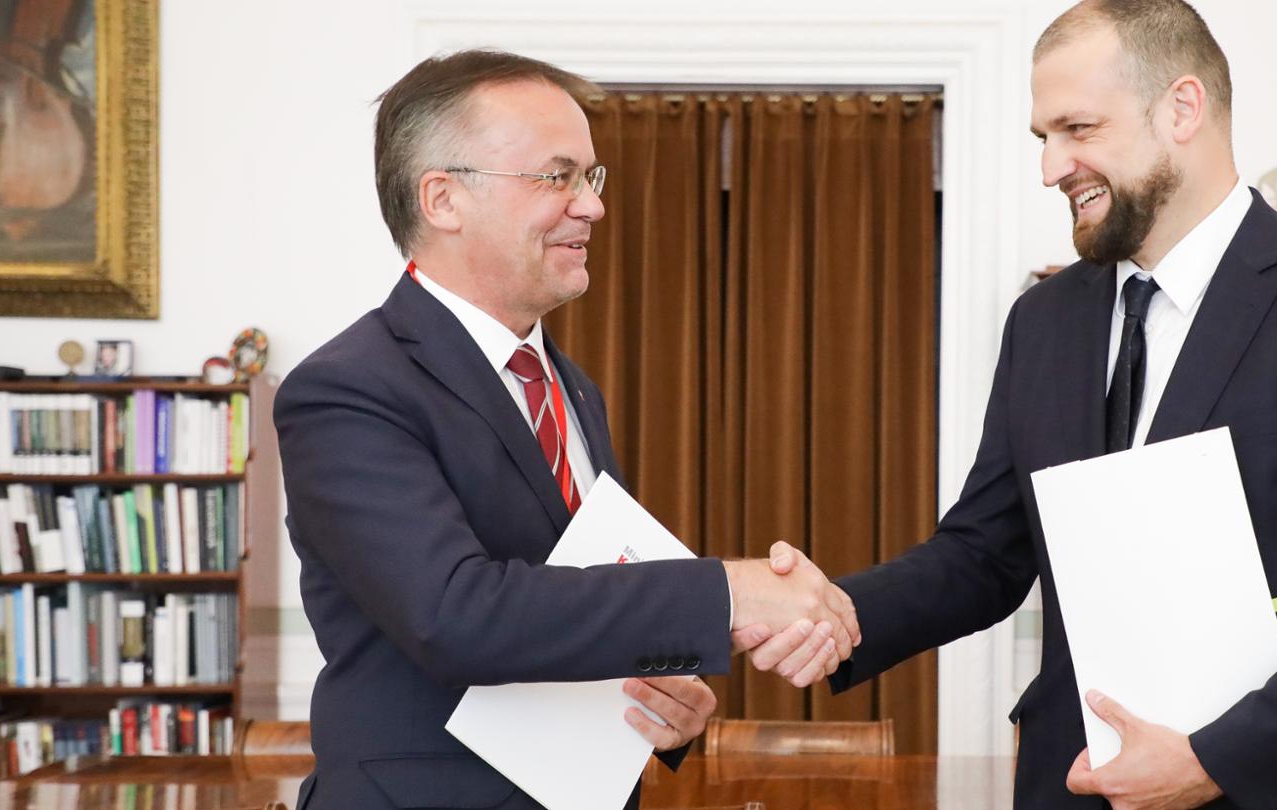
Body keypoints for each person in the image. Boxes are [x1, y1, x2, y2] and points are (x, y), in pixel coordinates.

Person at [757, 2, 1277, 808]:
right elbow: (987, 553)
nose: (1051, 168)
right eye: (1043, 139)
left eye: (1078, 129)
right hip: (1068, 786)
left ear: (1182, 108)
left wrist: (1218, 758)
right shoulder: (1041, 320)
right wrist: (839, 612)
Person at [275, 50, 855, 810]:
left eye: (592, 177)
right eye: (557, 177)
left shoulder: (569, 387)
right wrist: (726, 594)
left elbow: (573, 606)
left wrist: (663, 704)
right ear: (444, 199)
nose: (592, 206)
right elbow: (456, 615)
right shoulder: (346, 390)